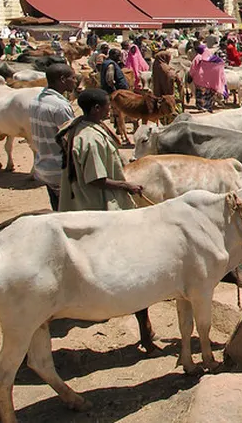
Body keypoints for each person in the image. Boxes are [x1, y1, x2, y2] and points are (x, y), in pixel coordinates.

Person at [57, 87, 153, 348]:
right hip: (94, 203)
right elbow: (96, 179)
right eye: (107, 108)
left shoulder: (78, 127)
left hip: (81, 197)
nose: (110, 111)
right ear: (97, 109)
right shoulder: (91, 138)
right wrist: (127, 187)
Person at [28, 63, 77, 211]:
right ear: (63, 79)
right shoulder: (60, 106)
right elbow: (70, 139)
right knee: (71, 214)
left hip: (44, 165)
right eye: (73, 78)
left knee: (57, 209)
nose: (75, 81)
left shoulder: (36, 100)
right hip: (59, 169)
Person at [191, 43, 226, 112]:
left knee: (200, 93)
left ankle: (201, 107)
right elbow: (220, 63)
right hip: (210, 80)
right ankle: (208, 106)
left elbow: (193, 68)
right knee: (208, 93)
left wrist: (191, 75)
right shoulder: (210, 57)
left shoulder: (198, 57)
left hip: (199, 79)